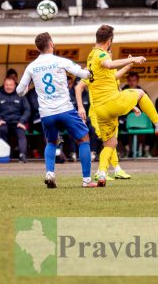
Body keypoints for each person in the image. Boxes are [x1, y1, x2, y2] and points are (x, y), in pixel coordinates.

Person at [80, 25, 158, 186]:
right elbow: (109, 65)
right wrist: (132, 58)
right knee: (139, 93)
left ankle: (102, 173)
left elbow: (113, 75)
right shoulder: (101, 54)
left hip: (99, 109)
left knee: (110, 143)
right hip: (110, 102)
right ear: (109, 41)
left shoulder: (90, 56)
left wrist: (129, 65)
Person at [16, 33, 98, 188]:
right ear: (52, 44)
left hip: (46, 114)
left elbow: (20, 91)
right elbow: (84, 74)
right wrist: (92, 70)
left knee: (52, 142)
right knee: (84, 139)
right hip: (65, 109)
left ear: (37, 48)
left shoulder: (32, 66)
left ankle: (50, 173)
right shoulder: (61, 61)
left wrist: (26, 87)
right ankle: (87, 180)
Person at [0, 77, 31, 162]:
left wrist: (22, 121)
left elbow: (27, 109)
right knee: (2, 130)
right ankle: (3, 155)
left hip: (17, 122)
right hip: (4, 122)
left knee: (21, 132)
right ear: (3, 85)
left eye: (11, 85)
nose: (9, 87)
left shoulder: (21, 95)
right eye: (7, 85)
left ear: (15, 85)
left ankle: (22, 155)